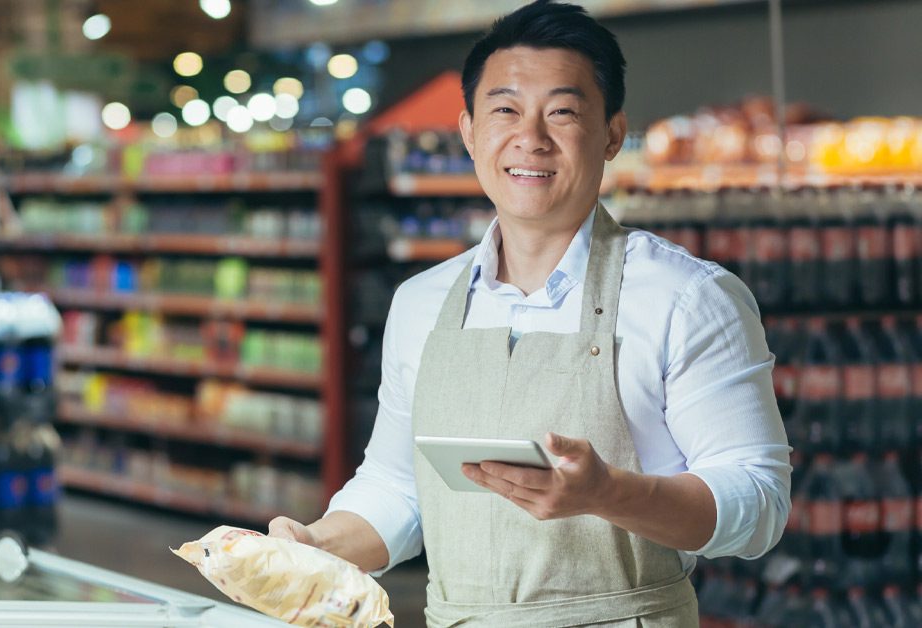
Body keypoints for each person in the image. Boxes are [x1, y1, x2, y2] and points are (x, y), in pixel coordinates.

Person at [269, 1, 792, 626]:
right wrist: (315, 546)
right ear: (468, 132)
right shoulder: (422, 305)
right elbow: (400, 488)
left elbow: (759, 507)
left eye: (563, 112)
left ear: (613, 134)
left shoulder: (687, 297)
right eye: (505, 110)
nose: (531, 138)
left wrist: (609, 494)